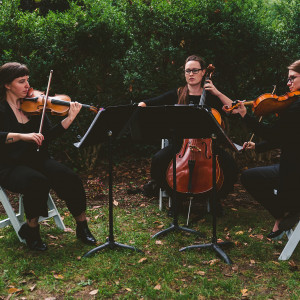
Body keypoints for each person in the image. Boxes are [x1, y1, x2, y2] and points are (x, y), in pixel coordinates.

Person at [0, 62, 97, 251]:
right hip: (9, 165)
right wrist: (21, 136)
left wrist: (69, 119)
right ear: (7, 85)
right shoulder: (1, 110)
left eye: (28, 80)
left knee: (69, 177)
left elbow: (48, 137)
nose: (28, 86)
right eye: (21, 81)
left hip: (37, 159)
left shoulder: (34, 106)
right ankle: (32, 230)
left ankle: (82, 226)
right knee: (37, 181)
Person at [138, 55, 238, 210]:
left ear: (204, 72)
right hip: (180, 146)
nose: (191, 74)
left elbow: (234, 109)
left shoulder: (212, 96)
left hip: (207, 147)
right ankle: (175, 196)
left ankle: (214, 197)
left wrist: (217, 93)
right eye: (187, 71)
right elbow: (151, 103)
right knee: (158, 161)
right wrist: (141, 105)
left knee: (230, 166)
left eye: (195, 70)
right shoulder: (177, 94)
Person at [232, 59, 300, 239]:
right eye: (288, 79)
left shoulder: (296, 107)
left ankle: (286, 212)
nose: (288, 83)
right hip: (291, 167)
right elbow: (287, 137)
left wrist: (245, 116)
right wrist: (258, 146)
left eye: (293, 78)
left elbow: (273, 134)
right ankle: (285, 213)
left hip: (294, 172)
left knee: (249, 177)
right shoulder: (294, 105)